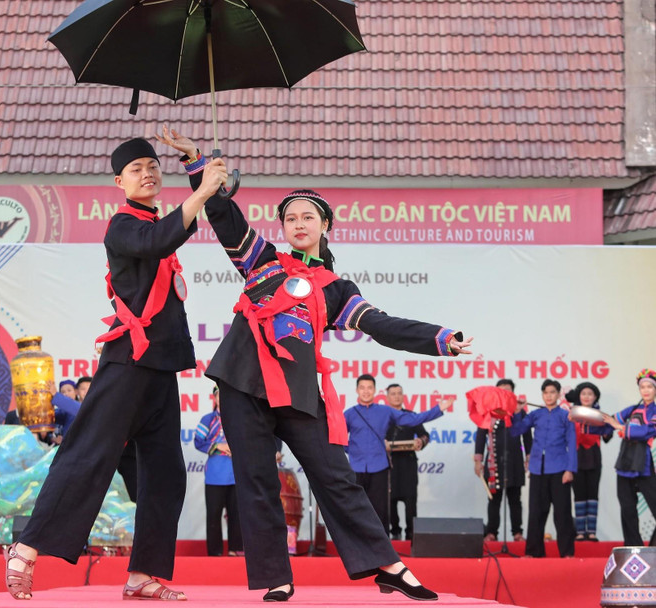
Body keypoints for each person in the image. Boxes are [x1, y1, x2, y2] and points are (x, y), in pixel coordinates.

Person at [159, 127, 472, 602]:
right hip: (242, 383)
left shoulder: (337, 289)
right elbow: (221, 213)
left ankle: (389, 566)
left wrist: (440, 339)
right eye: (290, 218)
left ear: (325, 225)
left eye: (308, 217)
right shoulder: (262, 262)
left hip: (297, 392)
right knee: (258, 481)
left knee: (336, 477)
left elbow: (382, 325)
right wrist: (198, 163)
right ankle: (277, 578)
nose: (298, 224)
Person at [2, 136, 227, 601]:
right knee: (88, 455)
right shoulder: (122, 225)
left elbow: (175, 227)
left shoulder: (156, 222)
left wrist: (195, 162)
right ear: (119, 182)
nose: (148, 173)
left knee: (165, 473)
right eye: (137, 168)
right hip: (128, 362)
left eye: (153, 166)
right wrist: (203, 189)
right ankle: (25, 548)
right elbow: (159, 239)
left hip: (160, 366)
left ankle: (143, 574)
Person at [344, 376, 448, 538]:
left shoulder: (385, 411)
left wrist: (438, 409)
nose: (366, 391)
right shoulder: (349, 414)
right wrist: (352, 450)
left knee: (381, 510)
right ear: (357, 390)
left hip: (379, 467)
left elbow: (413, 419)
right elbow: (338, 437)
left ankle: (383, 544)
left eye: (369, 388)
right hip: (356, 467)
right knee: (356, 508)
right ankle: (356, 542)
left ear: (375, 390)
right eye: (362, 388)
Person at [509, 379, 576, 558]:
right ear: (542, 395)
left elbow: (571, 443)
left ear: (558, 394)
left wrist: (570, 469)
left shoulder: (565, 415)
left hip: (560, 469)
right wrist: (517, 412)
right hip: (538, 469)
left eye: (552, 392)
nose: (549, 396)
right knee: (536, 512)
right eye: (545, 393)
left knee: (562, 513)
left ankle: (567, 553)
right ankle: (534, 552)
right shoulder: (535, 414)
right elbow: (516, 431)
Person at [602, 369, 656, 547]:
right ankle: (633, 547)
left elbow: (648, 431)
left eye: (649, 387)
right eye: (643, 387)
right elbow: (608, 422)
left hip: (644, 464)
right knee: (627, 509)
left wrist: (620, 427)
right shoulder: (632, 409)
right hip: (625, 463)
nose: (646, 390)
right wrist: (584, 419)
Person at [473, 378, 531, 543]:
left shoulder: (519, 412)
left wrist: (529, 458)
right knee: (494, 501)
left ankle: (517, 533)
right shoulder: (488, 413)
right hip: (494, 463)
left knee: (515, 500)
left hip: (515, 462)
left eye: (508, 390)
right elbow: (480, 437)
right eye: (501, 390)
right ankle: (492, 532)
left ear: (513, 393)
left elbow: (527, 437)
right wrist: (478, 461)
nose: (505, 393)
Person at [194, 385, 243, 556]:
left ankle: (235, 550)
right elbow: (198, 441)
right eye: (218, 395)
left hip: (236, 474)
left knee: (237, 515)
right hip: (214, 476)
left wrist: (235, 447)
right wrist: (218, 446)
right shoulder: (208, 420)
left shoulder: (239, 419)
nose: (221, 398)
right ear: (214, 398)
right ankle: (214, 553)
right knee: (214, 516)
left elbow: (248, 440)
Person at [384, 383, 433, 541]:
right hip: (388, 463)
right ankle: (394, 532)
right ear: (387, 397)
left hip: (408, 463)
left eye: (399, 393)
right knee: (389, 499)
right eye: (393, 394)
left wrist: (420, 441)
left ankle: (412, 533)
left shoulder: (411, 416)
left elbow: (425, 435)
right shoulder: (383, 416)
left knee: (410, 498)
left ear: (403, 396)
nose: (397, 396)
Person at [565, 381, 612, 541]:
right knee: (579, 495)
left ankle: (591, 532)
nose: (586, 397)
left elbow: (607, 437)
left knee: (593, 494)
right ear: (579, 396)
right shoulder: (572, 414)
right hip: (576, 457)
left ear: (595, 397)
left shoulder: (600, 415)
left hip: (594, 457)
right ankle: (580, 532)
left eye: (590, 394)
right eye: (583, 394)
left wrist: (607, 427)